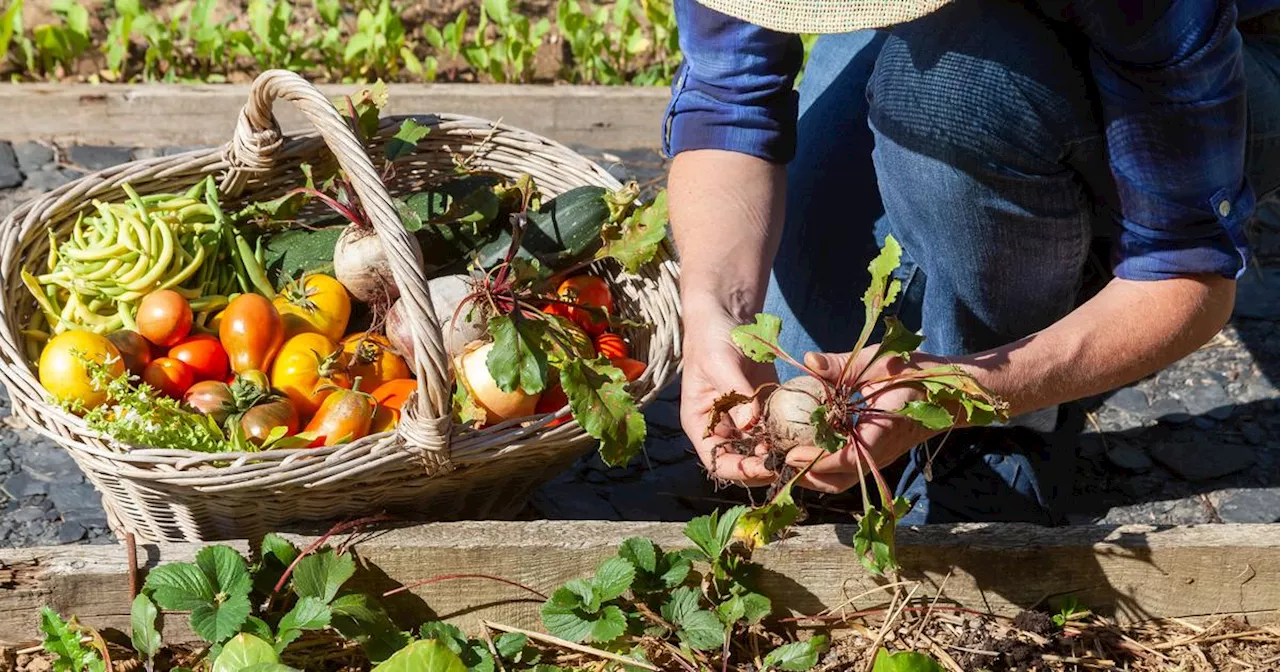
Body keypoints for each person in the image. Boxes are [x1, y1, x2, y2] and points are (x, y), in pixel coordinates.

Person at [665, 0, 1280, 524]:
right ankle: (1009, 232)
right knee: (804, 342)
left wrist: (960, 389)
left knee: (955, 90)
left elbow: (1186, 271)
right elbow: (729, 100)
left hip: (1227, 56)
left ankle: (1004, 429)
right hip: (933, 39)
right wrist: (715, 311)